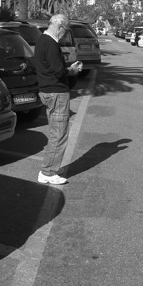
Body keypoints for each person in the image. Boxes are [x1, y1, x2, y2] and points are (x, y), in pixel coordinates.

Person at [34, 14, 82, 185]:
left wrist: (66, 69)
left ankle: (50, 167)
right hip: (56, 93)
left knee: (56, 132)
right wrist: (72, 70)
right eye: (66, 30)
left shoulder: (41, 40)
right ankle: (48, 172)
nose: (65, 34)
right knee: (59, 134)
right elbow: (58, 71)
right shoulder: (51, 44)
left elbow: (50, 67)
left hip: (47, 90)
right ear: (60, 27)